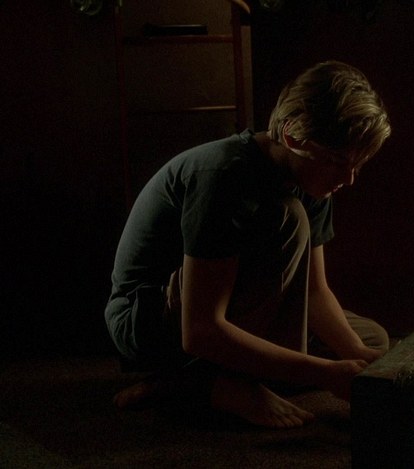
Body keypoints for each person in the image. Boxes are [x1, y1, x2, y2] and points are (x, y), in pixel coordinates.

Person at [104, 60, 392, 428]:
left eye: (358, 165)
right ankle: (207, 383)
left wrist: (356, 354)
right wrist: (324, 374)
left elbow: (315, 292)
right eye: (338, 162)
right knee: (287, 218)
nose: (349, 179)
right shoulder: (224, 176)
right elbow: (201, 328)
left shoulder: (314, 178)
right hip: (149, 319)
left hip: (230, 308)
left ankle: (193, 380)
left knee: (372, 340)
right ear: (293, 138)